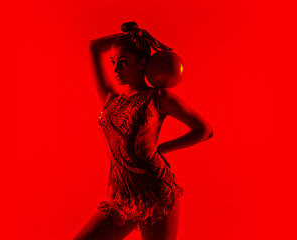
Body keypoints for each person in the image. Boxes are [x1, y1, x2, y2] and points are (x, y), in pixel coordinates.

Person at [72, 22, 213, 240]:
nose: (116, 69)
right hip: (120, 198)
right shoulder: (109, 99)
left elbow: (204, 130)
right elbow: (94, 46)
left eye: (124, 62)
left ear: (141, 64)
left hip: (156, 193)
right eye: (113, 62)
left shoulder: (158, 98)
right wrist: (137, 35)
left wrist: (163, 148)